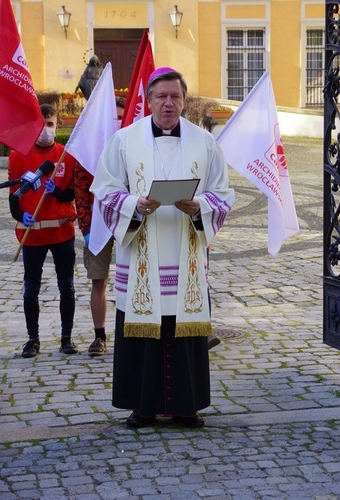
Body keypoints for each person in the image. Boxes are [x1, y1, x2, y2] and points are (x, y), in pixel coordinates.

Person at [91, 67, 235, 428]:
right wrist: (132, 206)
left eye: (175, 96)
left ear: (184, 101)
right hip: (140, 251)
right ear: (149, 101)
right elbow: (105, 190)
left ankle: (187, 406)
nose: (168, 103)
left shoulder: (205, 143)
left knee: (183, 333)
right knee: (144, 334)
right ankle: (144, 407)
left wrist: (200, 206)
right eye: (161, 96)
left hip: (186, 254)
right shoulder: (124, 141)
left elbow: (223, 192)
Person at [8, 104, 78, 358]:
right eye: (40, 124)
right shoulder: (18, 156)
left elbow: (74, 193)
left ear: (57, 126)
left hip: (61, 232)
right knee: (31, 287)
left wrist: (56, 192)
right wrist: (20, 216)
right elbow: (13, 197)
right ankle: (32, 338)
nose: (45, 129)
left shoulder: (66, 156)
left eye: (50, 124)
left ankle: (66, 338)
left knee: (66, 286)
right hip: (33, 234)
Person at [74, 96, 125, 357]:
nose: (115, 123)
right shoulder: (89, 151)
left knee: (137, 278)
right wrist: (86, 226)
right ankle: (99, 336)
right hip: (98, 222)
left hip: (130, 219)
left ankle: (135, 332)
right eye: (112, 118)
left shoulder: (132, 147)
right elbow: (81, 190)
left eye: (120, 118)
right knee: (98, 280)